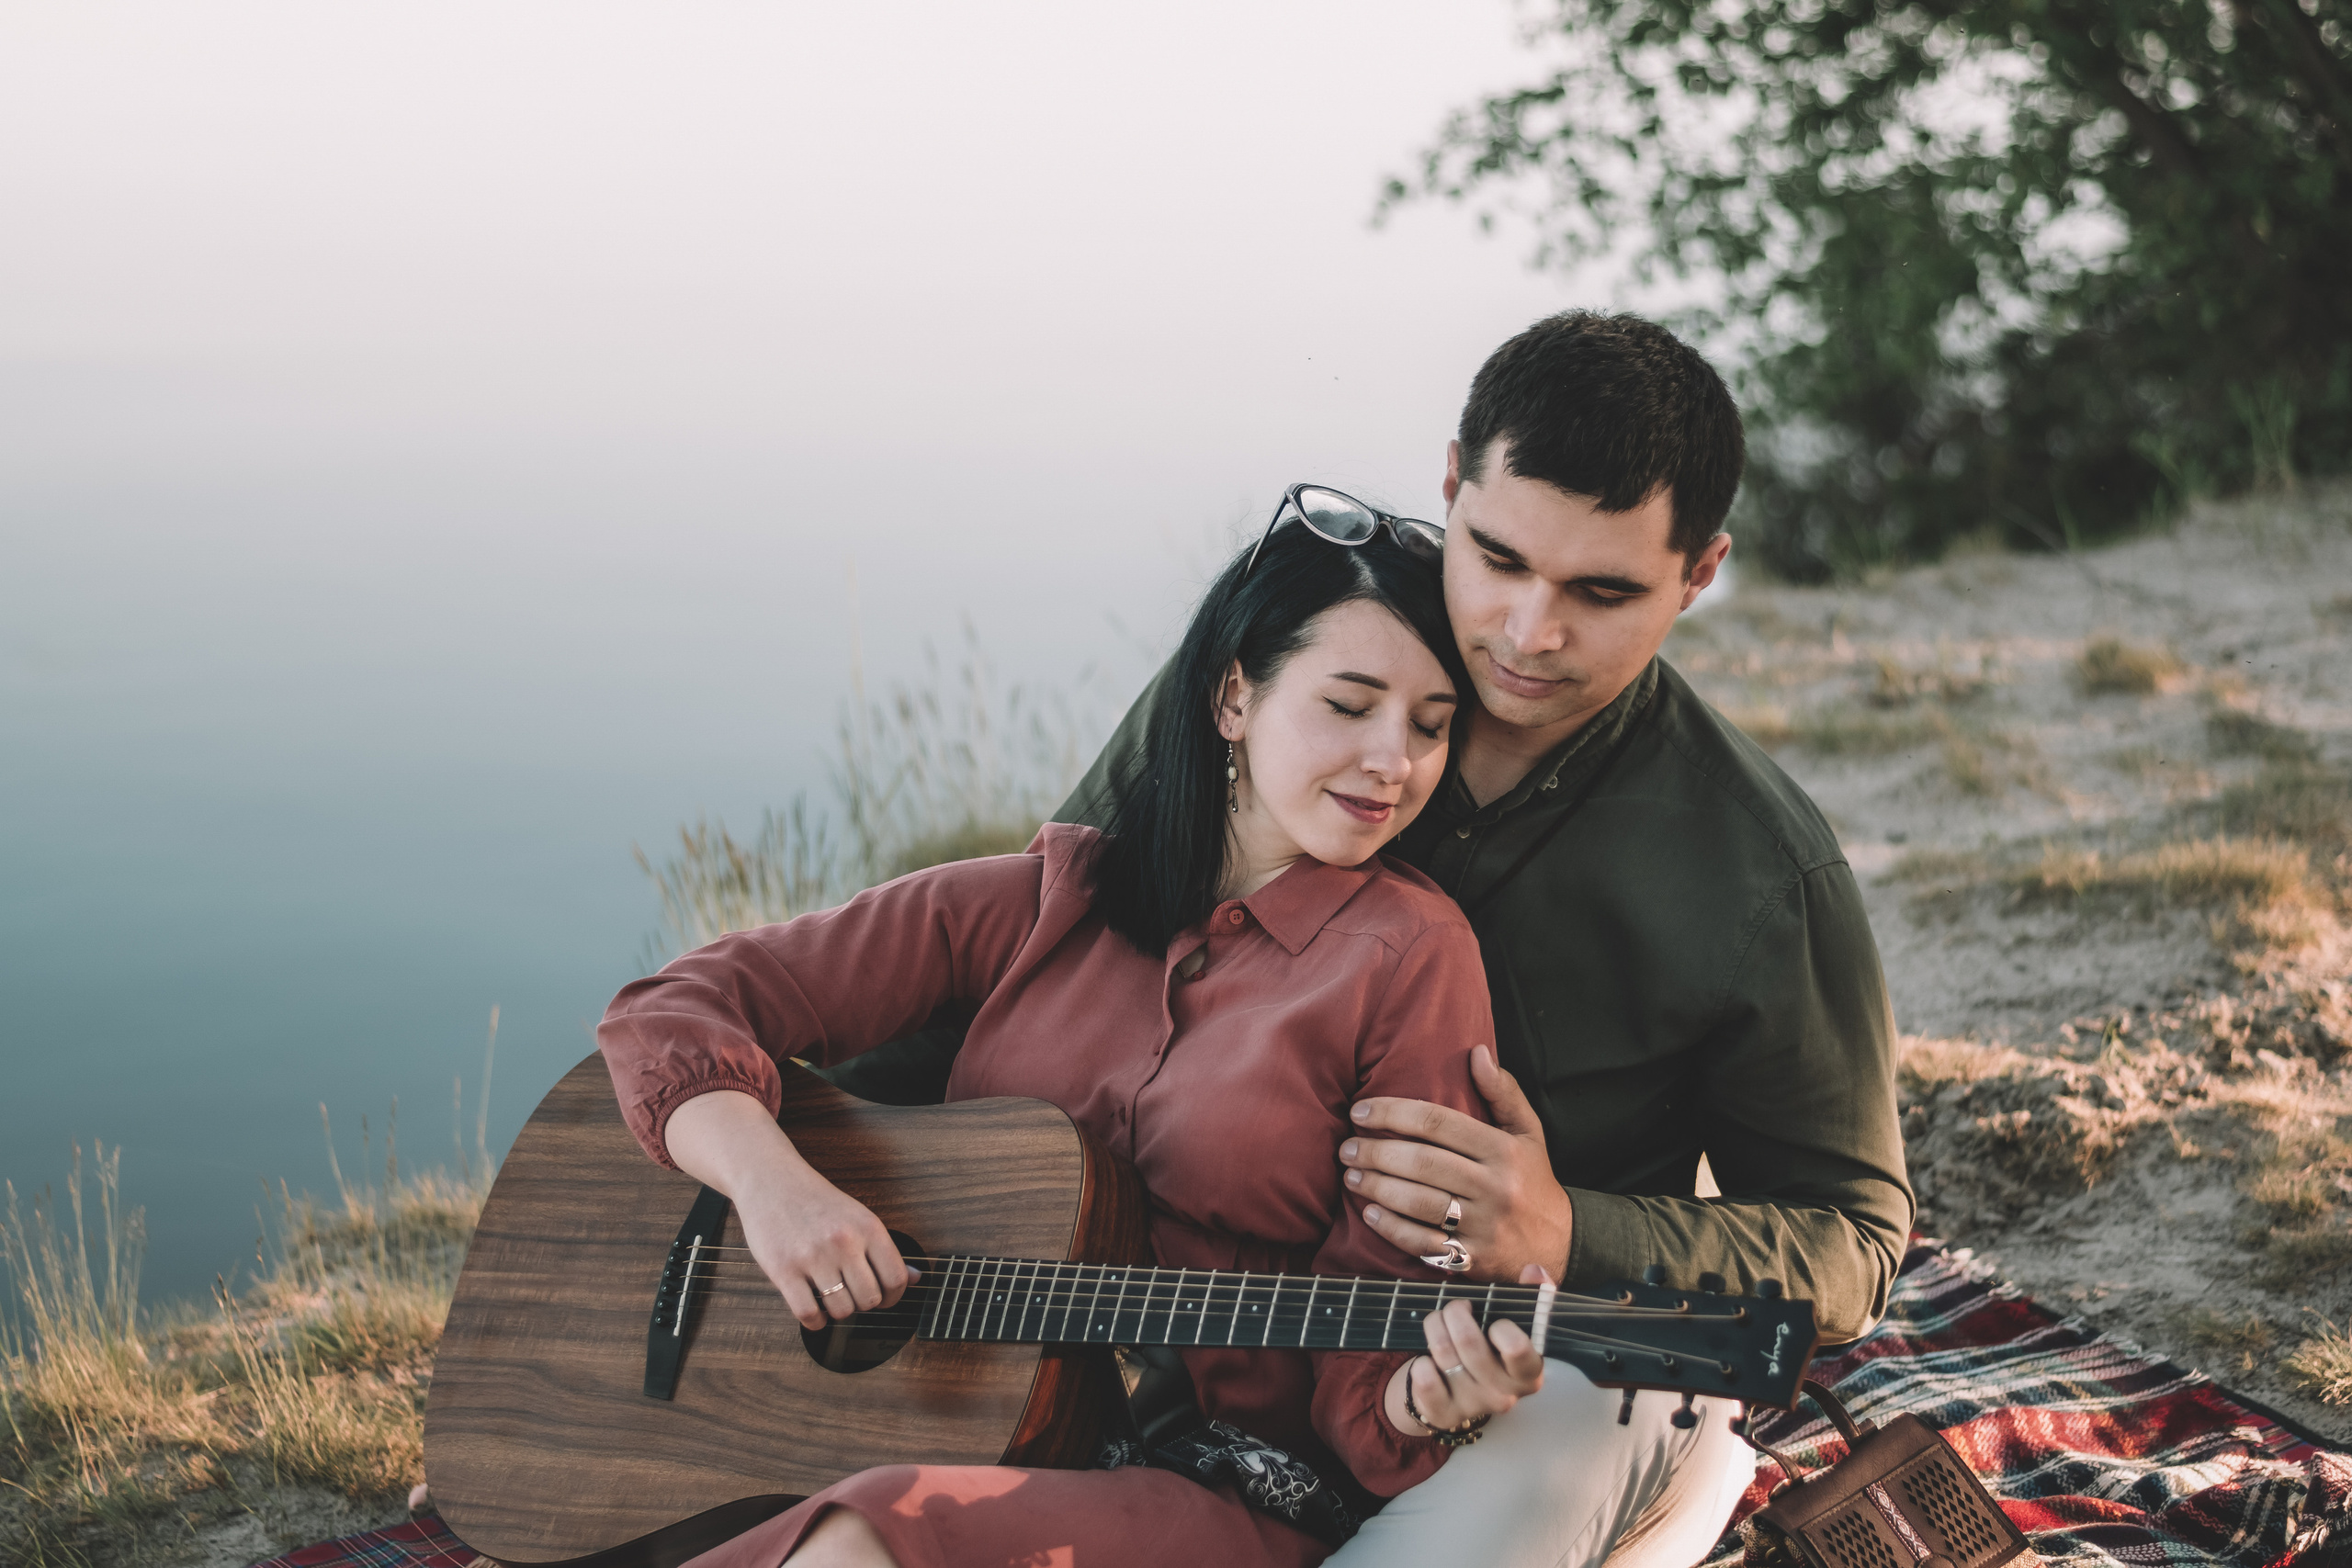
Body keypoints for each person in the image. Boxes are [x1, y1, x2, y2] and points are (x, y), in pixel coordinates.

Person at [831, 311, 1916, 1566]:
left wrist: (1570, 1229)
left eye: (1601, 591)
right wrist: (765, 1175)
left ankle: (1671, 1484)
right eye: (1497, 555)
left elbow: (1855, 1239)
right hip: (1173, 1367)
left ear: (1701, 571)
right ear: (1450, 480)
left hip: (1540, 1368)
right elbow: (1023, 973)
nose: (1525, 628)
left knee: (1581, 1426)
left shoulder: (1759, 872)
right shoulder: (1285, 674)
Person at [599, 515, 1555, 1568]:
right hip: (943, 1419)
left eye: (1430, 726)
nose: (1394, 761)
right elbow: (674, 1009)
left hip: (1223, 1487)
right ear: (1233, 696)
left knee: (864, 1539)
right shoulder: (1048, 899)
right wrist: (777, 1193)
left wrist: (1427, 1401)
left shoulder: (1412, 957)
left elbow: (1377, 1352)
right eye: (1348, 705)